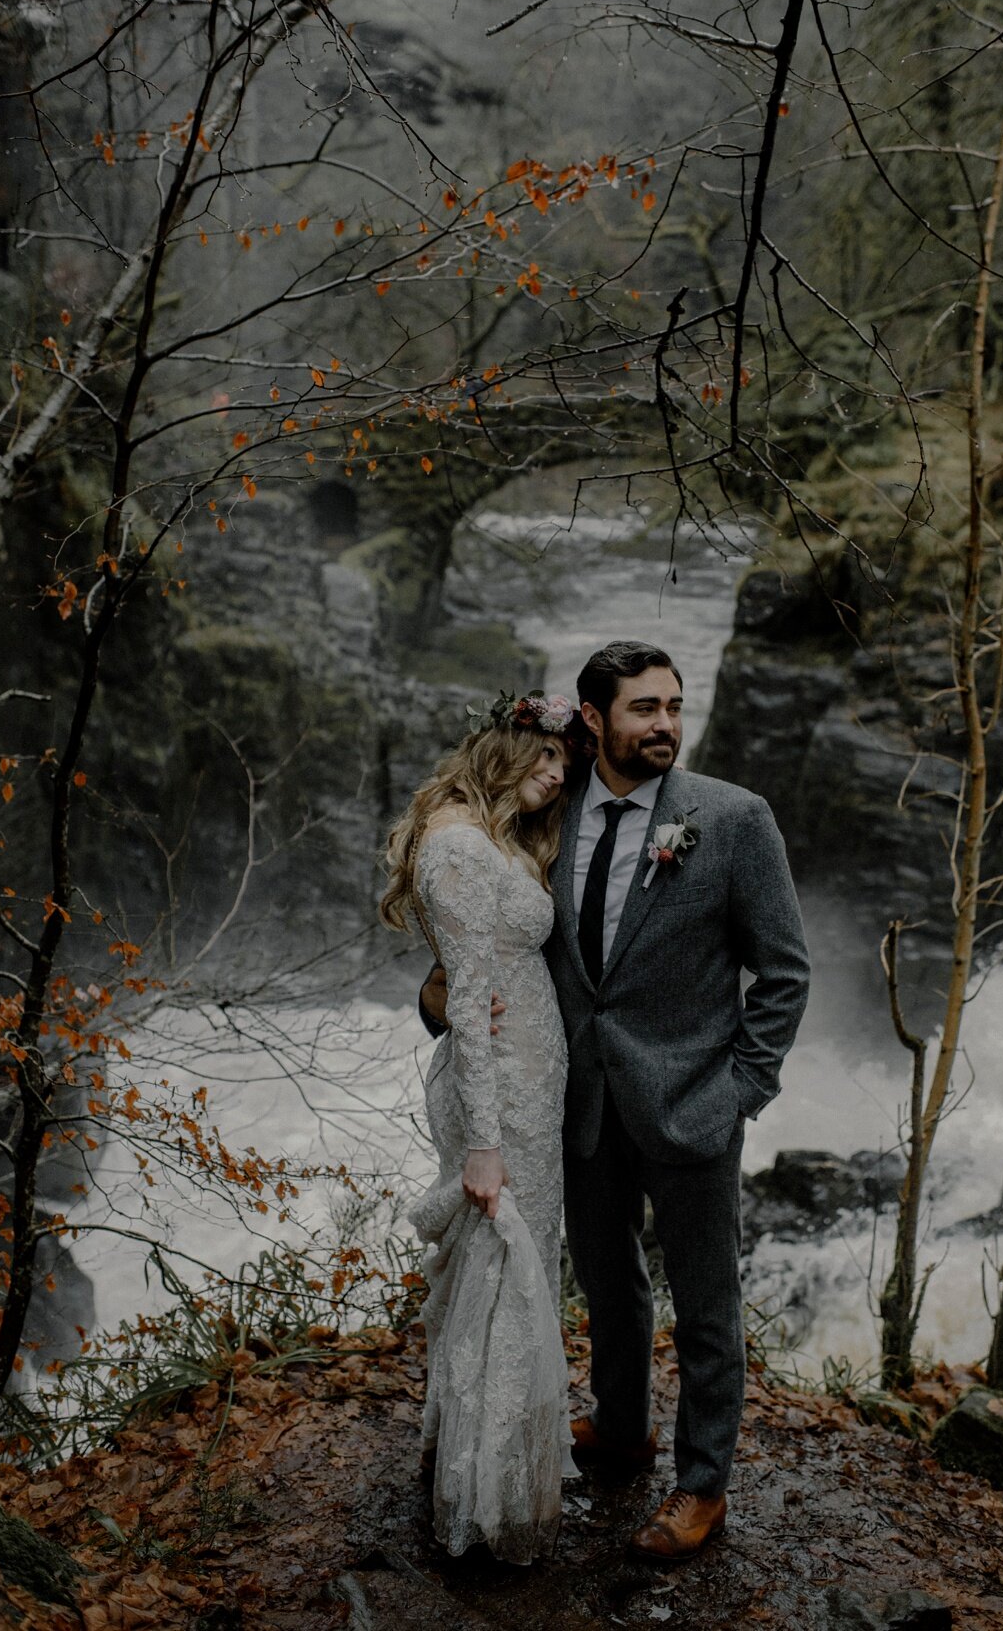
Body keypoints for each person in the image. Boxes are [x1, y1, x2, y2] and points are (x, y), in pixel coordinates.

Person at [421, 641, 810, 1561]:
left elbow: (785, 974)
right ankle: (624, 1425)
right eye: (644, 708)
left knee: (707, 1305)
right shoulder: (543, 821)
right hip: (578, 1104)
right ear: (594, 721)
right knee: (609, 1284)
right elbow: (477, 952)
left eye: (674, 705)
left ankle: (702, 1485)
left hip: (692, 1106)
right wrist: (439, 1003)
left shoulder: (733, 819)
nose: (666, 724)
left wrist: (741, 1091)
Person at [379, 690, 585, 1564]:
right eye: (544, 758)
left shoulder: (485, 833)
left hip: (528, 1082)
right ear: (504, 746)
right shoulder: (460, 845)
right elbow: (464, 992)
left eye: (564, 767)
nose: (555, 775)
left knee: (502, 1264)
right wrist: (485, 1144)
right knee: (505, 1264)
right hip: (499, 1092)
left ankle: (476, 1461)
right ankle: (490, 1499)